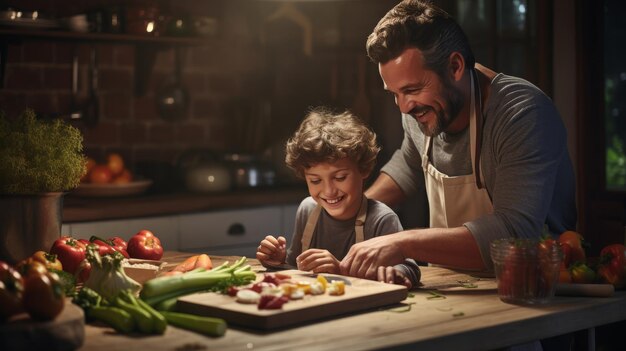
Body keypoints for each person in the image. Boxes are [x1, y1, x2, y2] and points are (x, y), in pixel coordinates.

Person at [339, 0, 577, 284]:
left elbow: (515, 234)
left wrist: (402, 242)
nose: (403, 107)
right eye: (394, 93)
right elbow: (407, 166)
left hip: (531, 288)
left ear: (455, 67)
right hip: (456, 282)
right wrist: (349, 214)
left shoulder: (521, 113)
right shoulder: (421, 108)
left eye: (412, 89)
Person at [256, 107, 421, 288]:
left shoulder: (381, 219)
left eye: (340, 177)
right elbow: (295, 265)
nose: (329, 191)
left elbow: (410, 269)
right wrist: (278, 261)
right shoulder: (308, 210)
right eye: (315, 180)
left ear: (364, 169)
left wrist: (394, 274)